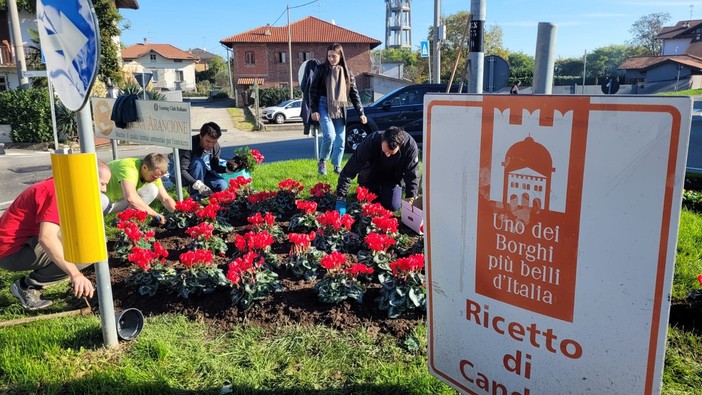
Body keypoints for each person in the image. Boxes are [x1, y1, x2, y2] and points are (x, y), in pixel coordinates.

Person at [0, 160, 112, 310]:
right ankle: (26, 286)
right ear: (88, 177)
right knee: (90, 249)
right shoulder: (57, 191)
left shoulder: (62, 184)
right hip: (10, 253)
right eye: (102, 183)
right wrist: (75, 274)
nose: (104, 189)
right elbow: (46, 238)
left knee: (91, 239)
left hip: (20, 243)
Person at [310, 43, 367, 175]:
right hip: (323, 105)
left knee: (341, 139)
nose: (331, 59)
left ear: (340, 56)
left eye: (334, 56)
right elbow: (312, 90)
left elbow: (354, 93)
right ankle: (323, 160)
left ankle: (337, 165)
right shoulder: (321, 69)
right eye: (329, 56)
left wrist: (361, 113)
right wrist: (314, 110)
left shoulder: (347, 72)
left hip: (340, 107)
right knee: (330, 136)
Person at [335, 126, 420, 213]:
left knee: (392, 206)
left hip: (393, 178)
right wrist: (341, 198)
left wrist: (411, 200)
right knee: (368, 204)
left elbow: (412, 176)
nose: (387, 155)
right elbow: (350, 169)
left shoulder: (410, 147)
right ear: (382, 140)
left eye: (391, 153)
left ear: (400, 145)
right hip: (370, 176)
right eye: (385, 151)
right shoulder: (370, 142)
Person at [105, 153, 176, 224]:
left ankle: (120, 221)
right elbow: (131, 199)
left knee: (152, 189)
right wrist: (154, 214)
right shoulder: (128, 169)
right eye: (153, 177)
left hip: (115, 201)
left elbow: (165, 198)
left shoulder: (153, 172)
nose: (156, 180)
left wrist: (180, 213)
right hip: (101, 203)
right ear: (145, 167)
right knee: (133, 198)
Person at [177, 121, 228, 197]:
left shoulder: (215, 146)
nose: (210, 145)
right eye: (208, 141)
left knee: (222, 184)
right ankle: (196, 197)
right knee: (198, 162)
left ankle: (212, 200)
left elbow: (215, 167)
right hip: (185, 176)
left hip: (203, 174)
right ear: (201, 136)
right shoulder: (189, 145)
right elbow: (182, 170)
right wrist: (196, 184)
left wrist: (227, 169)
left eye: (214, 142)